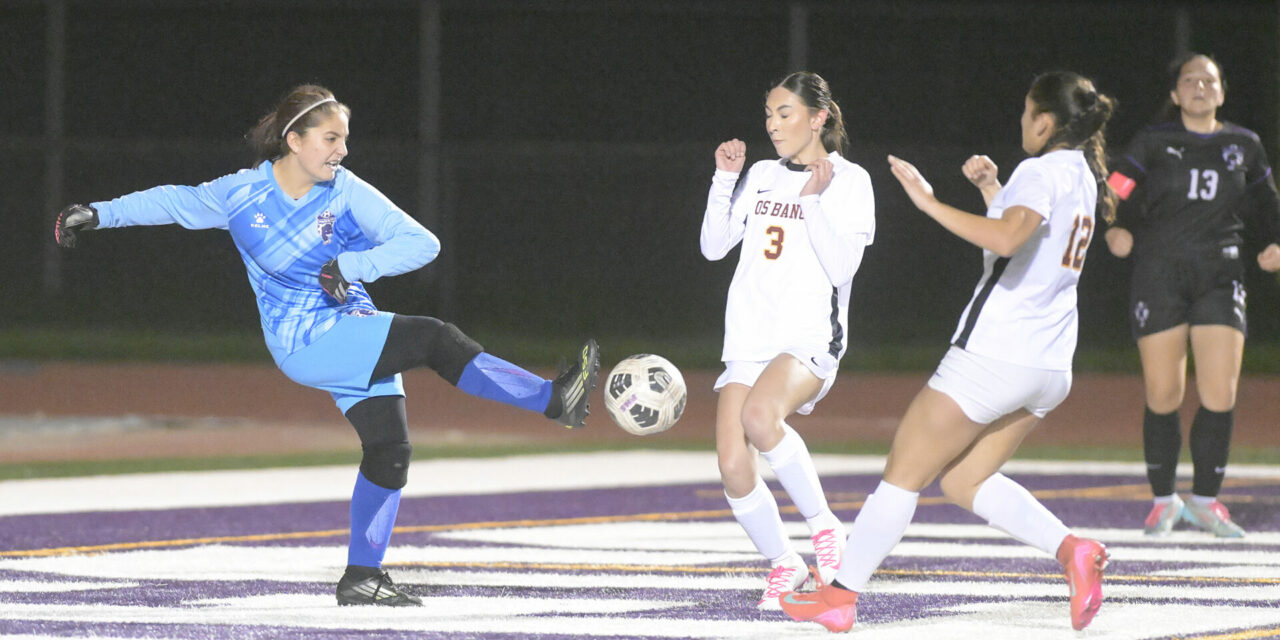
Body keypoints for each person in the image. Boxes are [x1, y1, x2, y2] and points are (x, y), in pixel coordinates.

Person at [52, 84, 600, 607]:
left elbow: (421, 243)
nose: (342, 149)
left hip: (353, 329)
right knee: (435, 338)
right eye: (330, 138)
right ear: (294, 140)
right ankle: (553, 400)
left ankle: (363, 577)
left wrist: (353, 265)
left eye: (343, 138)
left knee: (389, 451)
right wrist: (99, 213)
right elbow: (173, 202)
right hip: (306, 342)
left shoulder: (347, 190)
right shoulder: (242, 194)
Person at [779, 71, 1115, 632]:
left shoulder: (1040, 169)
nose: (1021, 122)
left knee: (903, 472)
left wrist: (929, 203)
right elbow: (1027, 245)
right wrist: (993, 193)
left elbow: (1008, 240)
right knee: (962, 481)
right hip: (1051, 363)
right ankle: (1072, 550)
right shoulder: (1081, 171)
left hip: (996, 354)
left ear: (1046, 121)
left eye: (1027, 113)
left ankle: (838, 598)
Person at [700, 71, 876, 610]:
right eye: (769, 114)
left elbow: (844, 265)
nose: (773, 125)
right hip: (750, 336)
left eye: (785, 113)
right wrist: (723, 179)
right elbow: (712, 248)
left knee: (760, 417)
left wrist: (815, 201)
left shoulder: (850, 180)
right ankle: (784, 562)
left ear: (818, 117)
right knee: (732, 463)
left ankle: (826, 529)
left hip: (808, 336)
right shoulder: (758, 174)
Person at [1104, 53, 1280, 538]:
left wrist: (1275, 243)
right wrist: (1115, 228)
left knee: (1219, 391)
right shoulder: (1153, 142)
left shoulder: (1244, 144)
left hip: (1220, 275)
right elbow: (1115, 192)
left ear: (1221, 92)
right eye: (1189, 80)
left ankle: (1205, 502)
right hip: (1159, 275)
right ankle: (1164, 501)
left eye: (1209, 80)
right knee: (1165, 393)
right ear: (1176, 94)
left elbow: (1268, 202)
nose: (1200, 86)